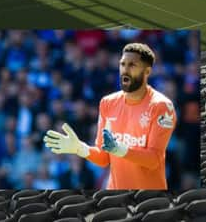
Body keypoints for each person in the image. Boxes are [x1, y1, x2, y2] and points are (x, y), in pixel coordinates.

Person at [44, 43, 176, 189]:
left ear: (147, 71)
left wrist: (121, 150)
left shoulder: (161, 106)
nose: (125, 70)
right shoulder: (108, 103)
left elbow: (154, 159)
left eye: (132, 65)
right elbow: (103, 157)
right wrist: (80, 148)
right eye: (122, 64)